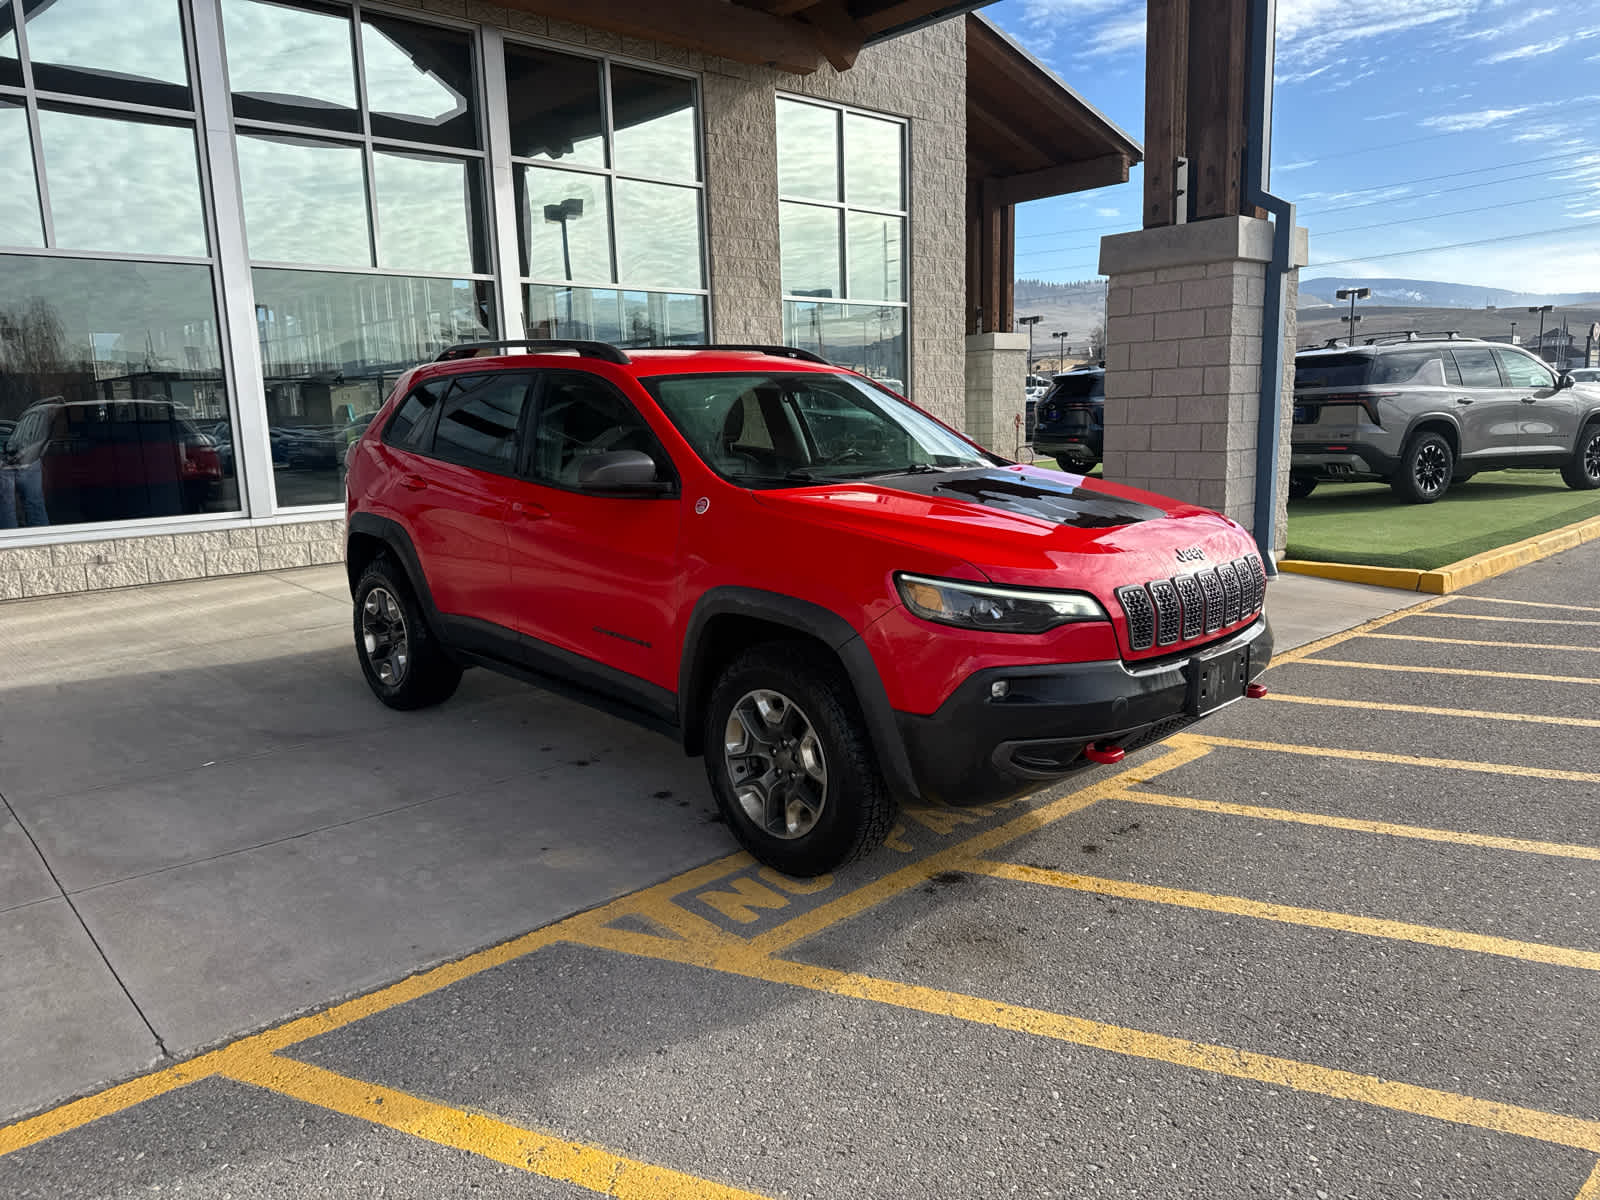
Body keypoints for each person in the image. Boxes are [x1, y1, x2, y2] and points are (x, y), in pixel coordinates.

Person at [0, 406, 51, 528]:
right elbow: (44, 430)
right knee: (34, 505)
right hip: (28, 455)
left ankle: (13, 544)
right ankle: (43, 543)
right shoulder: (33, 395)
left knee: (6, 508)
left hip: (11, 456)